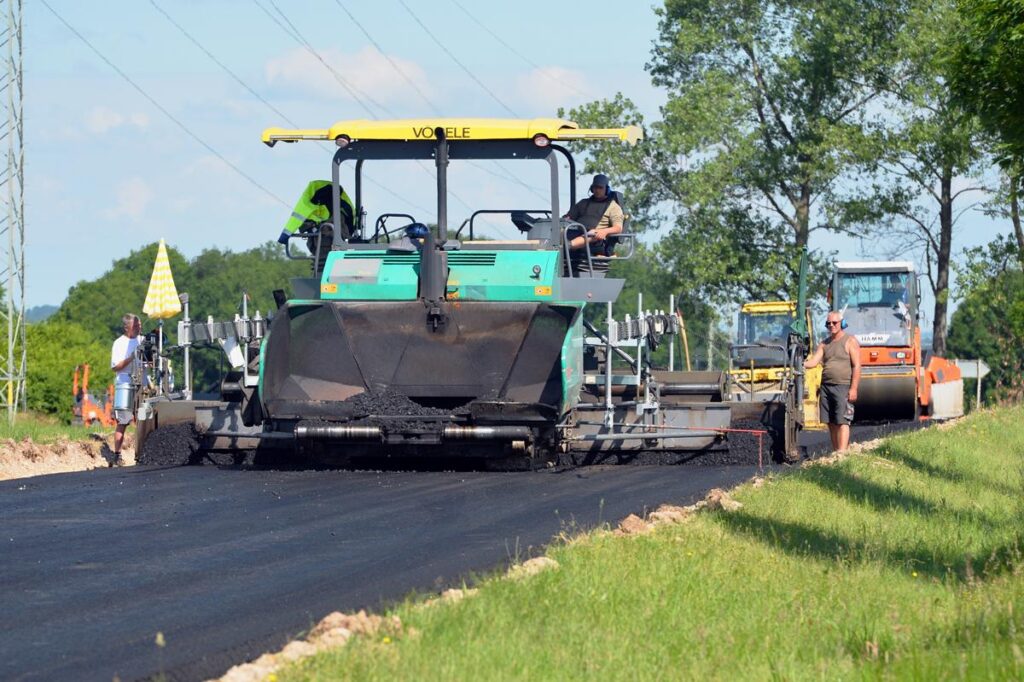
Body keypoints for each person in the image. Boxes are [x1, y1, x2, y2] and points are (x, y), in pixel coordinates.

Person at [804, 312, 862, 452]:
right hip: (826, 388)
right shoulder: (824, 344)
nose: (831, 325)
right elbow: (813, 362)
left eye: (834, 323)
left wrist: (853, 388)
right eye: (828, 323)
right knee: (830, 422)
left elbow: (857, 366)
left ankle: (842, 453)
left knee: (842, 420)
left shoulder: (850, 341)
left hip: (843, 386)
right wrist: (799, 364)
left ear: (841, 323)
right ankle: (837, 451)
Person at [278, 180, 357, 271]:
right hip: (324, 246)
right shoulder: (311, 196)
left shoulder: (340, 205)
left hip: (330, 247)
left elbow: (350, 215)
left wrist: (285, 236)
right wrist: (285, 235)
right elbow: (298, 215)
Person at [562, 174, 624, 277]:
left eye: (600, 188)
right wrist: (565, 219)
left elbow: (618, 228)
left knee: (593, 233)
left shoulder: (613, 207)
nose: (597, 190)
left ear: (606, 189)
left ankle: (568, 245)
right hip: (577, 231)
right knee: (560, 229)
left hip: (597, 239)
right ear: (591, 188)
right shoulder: (583, 203)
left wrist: (604, 231)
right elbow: (569, 217)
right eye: (595, 187)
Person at [110, 313, 141, 465]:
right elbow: (115, 367)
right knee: (123, 421)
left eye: (139, 324)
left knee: (144, 420)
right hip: (125, 384)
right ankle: (117, 454)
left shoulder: (142, 341)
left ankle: (142, 453)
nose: (139, 327)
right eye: (135, 325)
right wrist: (132, 357)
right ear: (127, 327)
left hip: (142, 384)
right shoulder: (119, 343)